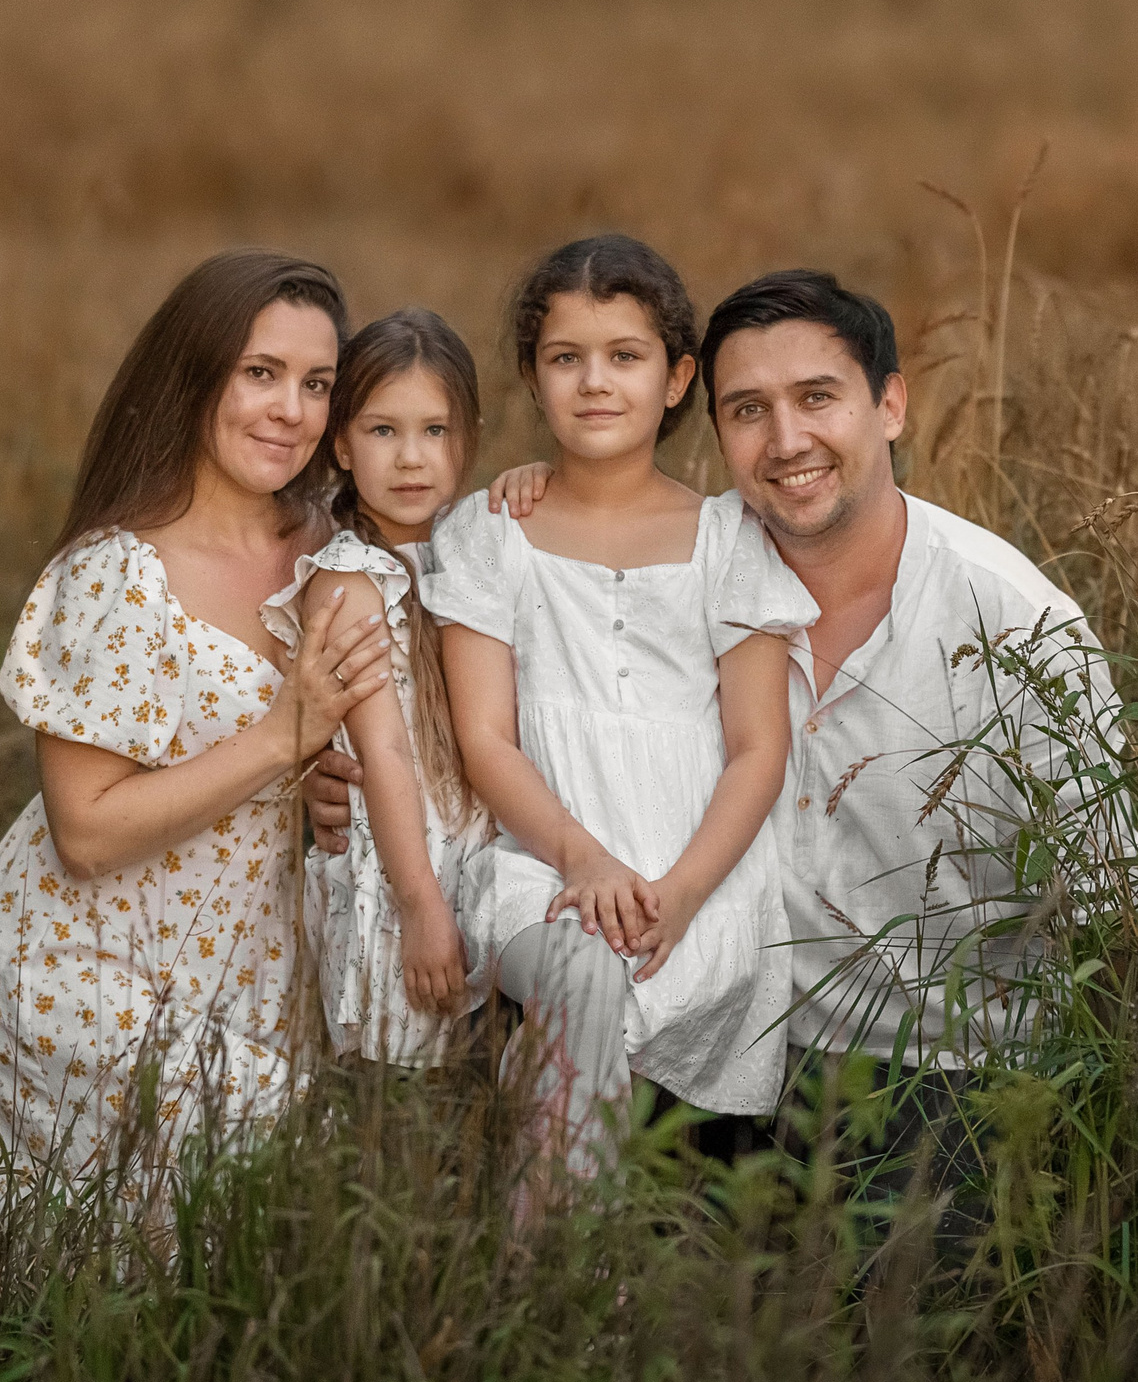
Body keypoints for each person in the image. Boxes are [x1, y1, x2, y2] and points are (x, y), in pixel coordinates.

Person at [480, 269, 1115, 1093]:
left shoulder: (1015, 622)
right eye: (748, 409)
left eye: (818, 398)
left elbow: (1110, 898)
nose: (785, 441)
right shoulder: (679, 574)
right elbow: (525, 717)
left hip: (952, 1071)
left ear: (890, 405)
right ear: (713, 430)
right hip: (723, 1043)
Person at [415, 235, 816, 1205]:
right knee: (584, 972)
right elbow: (485, 740)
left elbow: (759, 750)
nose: (596, 383)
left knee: (711, 986)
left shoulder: (730, 539)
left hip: (701, 869)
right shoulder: (491, 531)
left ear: (678, 378)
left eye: (625, 357)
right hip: (541, 860)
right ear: (533, 375)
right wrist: (583, 859)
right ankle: (553, 1268)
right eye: (567, 359)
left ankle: (626, 1229)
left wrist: (679, 890)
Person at [0, 251, 390, 1183]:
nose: (289, 410)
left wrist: (320, 787)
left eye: (316, 384)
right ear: (195, 374)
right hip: (87, 965)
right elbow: (85, 832)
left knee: (239, 1264)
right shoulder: (119, 572)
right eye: (259, 373)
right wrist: (281, 739)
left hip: (252, 966)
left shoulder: (332, 545)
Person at [261, 310, 492, 1068]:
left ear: (468, 437)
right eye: (383, 431)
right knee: (399, 1078)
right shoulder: (348, 580)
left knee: (479, 1069)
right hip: (401, 864)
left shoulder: (470, 544)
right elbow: (385, 747)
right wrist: (422, 905)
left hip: (474, 843)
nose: (411, 458)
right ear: (341, 443)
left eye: (435, 430)